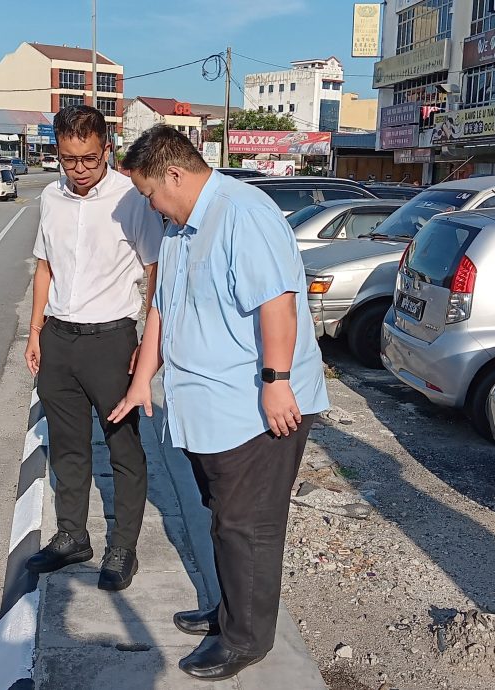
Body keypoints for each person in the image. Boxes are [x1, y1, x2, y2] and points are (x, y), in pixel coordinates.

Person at [109, 125, 329, 680]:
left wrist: (276, 380)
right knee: (225, 518)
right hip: (210, 409)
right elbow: (162, 305)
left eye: (150, 193)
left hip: (255, 406)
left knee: (247, 525)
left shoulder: (242, 214)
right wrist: (143, 379)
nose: (149, 205)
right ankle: (232, 610)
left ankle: (246, 639)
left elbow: (277, 300)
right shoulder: (180, 228)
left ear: (176, 175)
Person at [24, 106, 164, 591]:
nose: (79, 169)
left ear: (107, 149)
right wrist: (35, 331)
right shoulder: (50, 197)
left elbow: (154, 271)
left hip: (112, 340)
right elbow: (44, 266)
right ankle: (71, 537)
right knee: (66, 446)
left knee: (124, 448)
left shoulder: (132, 198)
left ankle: (123, 546)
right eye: (68, 159)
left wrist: (148, 341)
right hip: (59, 338)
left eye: (88, 158)